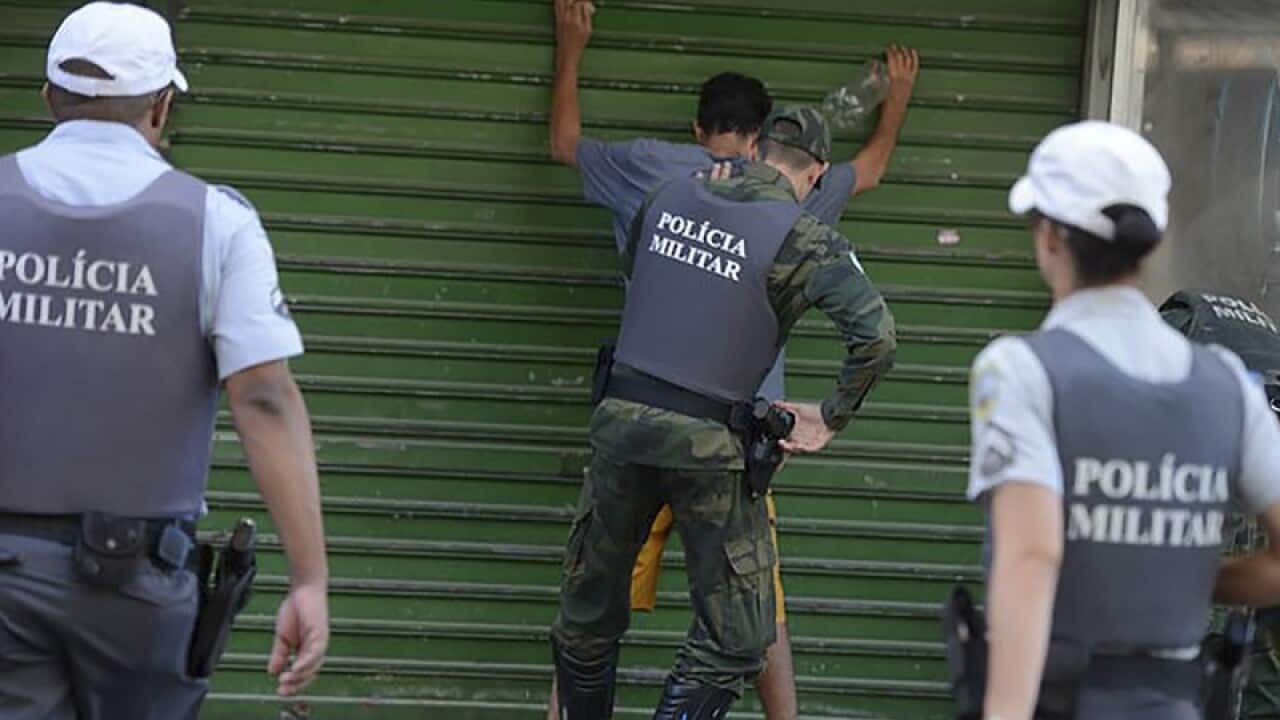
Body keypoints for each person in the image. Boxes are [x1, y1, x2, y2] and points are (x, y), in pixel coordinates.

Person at [549, 2, 917, 715]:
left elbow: (639, 264)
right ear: (813, 175)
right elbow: (877, 338)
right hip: (712, 445)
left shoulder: (662, 190)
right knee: (742, 633)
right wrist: (831, 417)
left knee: (587, 618)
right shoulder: (801, 231)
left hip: (621, 426)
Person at [0, 4, 329, 718]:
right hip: (137, 592)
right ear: (161, 105)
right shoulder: (217, 222)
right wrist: (309, 580)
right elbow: (265, 398)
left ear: (49, 97)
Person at [966, 120, 1280, 720]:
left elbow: (1032, 557)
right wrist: (1185, 577)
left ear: (1050, 237)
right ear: (1152, 244)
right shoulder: (1227, 383)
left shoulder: (1021, 369)